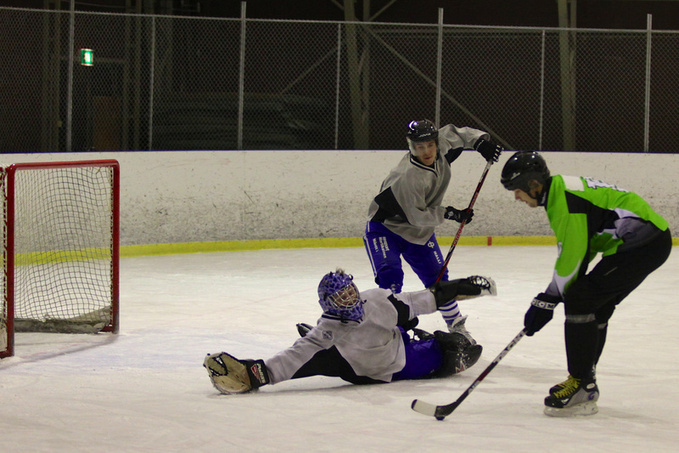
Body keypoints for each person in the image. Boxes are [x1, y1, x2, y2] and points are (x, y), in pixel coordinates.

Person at [501, 151, 672, 417]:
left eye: (517, 190)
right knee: (596, 305)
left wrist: (547, 299)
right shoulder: (560, 190)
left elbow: (572, 256)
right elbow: (585, 245)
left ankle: (582, 384)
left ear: (533, 184)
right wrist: (551, 297)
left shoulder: (563, 200)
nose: (516, 197)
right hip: (647, 242)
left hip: (642, 244)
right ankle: (584, 380)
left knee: (580, 299)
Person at [204, 269, 497, 394]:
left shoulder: (378, 301)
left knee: (320, 351)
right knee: (453, 352)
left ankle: (408, 334)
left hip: (385, 353)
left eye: (350, 292)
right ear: (329, 304)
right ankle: (424, 342)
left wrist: (462, 287)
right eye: (342, 298)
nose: (350, 300)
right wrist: (256, 374)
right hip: (386, 366)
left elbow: (424, 299)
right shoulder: (328, 330)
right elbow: (297, 356)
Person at [364, 119, 503, 346]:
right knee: (390, 277)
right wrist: (450, 213)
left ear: (436, 142)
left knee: (438, 279)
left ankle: (456, 326)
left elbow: (461, 134)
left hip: (419, 232)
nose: (426, 151)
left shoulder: (441, 144)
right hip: (385, 228)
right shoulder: (406, 176)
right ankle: (390, 332)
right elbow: (416, 216)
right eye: (419, 147)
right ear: (411, 146)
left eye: (430, 145)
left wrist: (480, 143)